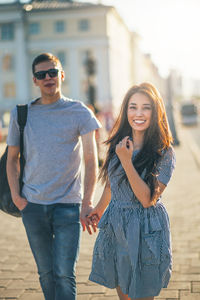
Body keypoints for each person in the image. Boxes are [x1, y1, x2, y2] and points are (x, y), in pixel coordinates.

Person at [6, 53, 101, 300]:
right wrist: (17, 197)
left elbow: (92, 161)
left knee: (64, 273)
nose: (47, 77)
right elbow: (11, 159)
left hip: (68, 206)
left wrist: (87, 202)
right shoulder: (21, 114)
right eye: (41, 74)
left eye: (52, 72)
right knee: (46, 273)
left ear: (61, 74)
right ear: (35, 80)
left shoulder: (79, 112)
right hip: (33, 206)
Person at [88, 82, 176, 300]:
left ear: (156, 112)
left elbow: (147, 199)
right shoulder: (117, 144)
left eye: (146, 107)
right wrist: (98, 210)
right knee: (124, 294)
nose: (138, 113)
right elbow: (111, 185)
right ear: (125, 110)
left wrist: (127, 162)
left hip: (146, 227)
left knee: (143, 293)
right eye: (133, 107)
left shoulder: (164, 152)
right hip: (117, 224)